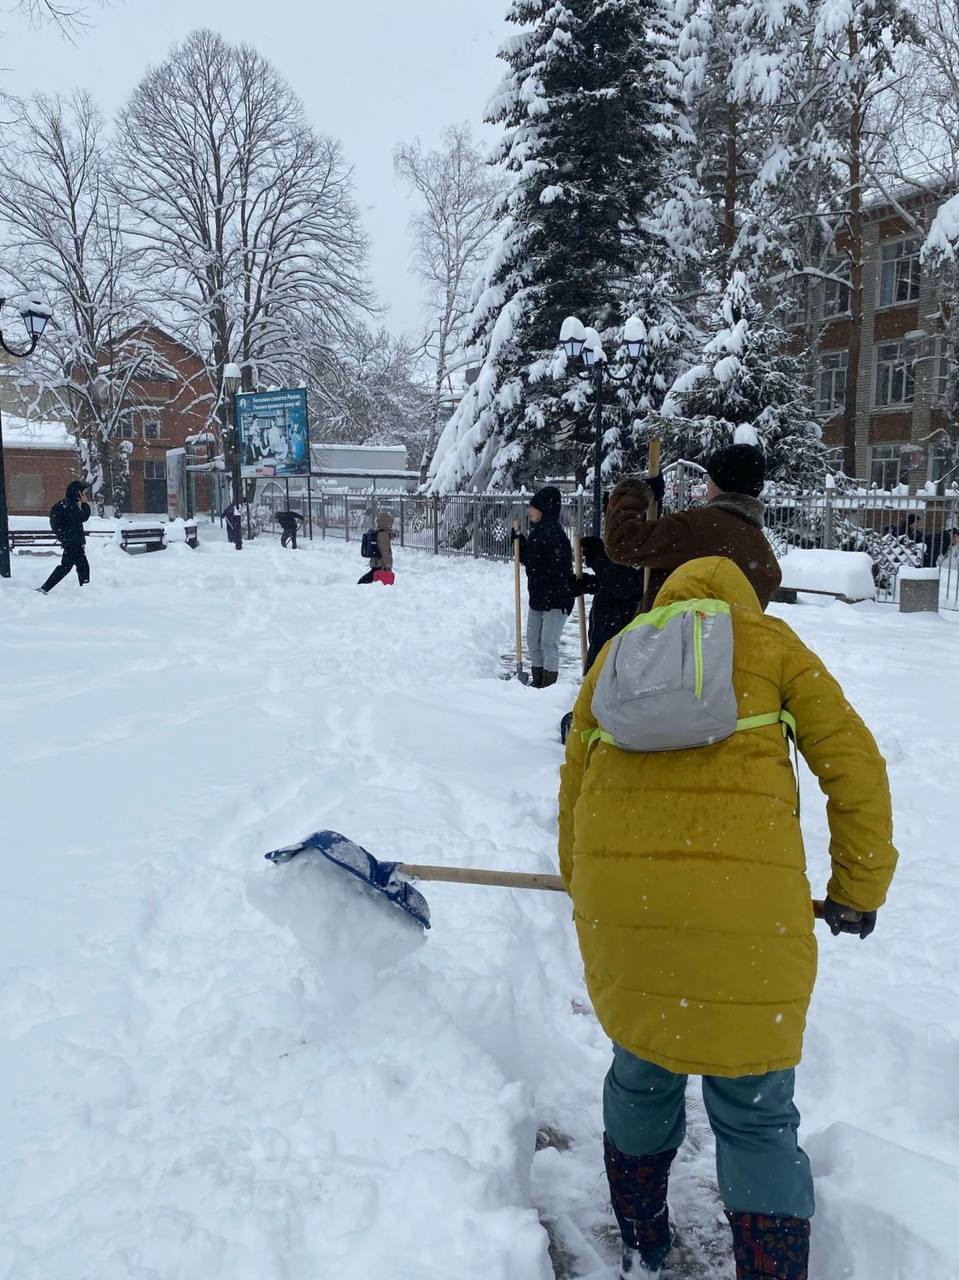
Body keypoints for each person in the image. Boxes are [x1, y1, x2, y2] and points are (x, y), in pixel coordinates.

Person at [558, 554, 898, 1280]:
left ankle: (643, 1242)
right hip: (750, 924)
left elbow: (574, 782)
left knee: (640, 1073)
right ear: (746, 598)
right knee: (754, 1109)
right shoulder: (770, 645)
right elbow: (854, 768)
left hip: (624, 912)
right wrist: (856, 888)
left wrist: (583, 890)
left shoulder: (617, 654)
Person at [604, 444, 782, 612]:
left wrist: (638, 492)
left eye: (709, 479)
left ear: (717, 483)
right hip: (728, 644)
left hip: (668, 641)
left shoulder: (698, 528)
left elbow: (621, 541)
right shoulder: (764, 554)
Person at [511, 486, 574, 688]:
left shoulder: (557, 536)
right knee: (532, 641)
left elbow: (556, 570)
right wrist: (520, 542)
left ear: (545, 509)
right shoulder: (538, 532)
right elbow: (531, 559)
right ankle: (537, 681)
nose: (530, 511)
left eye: (533, 507)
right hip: (538, 598)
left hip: (556, 601)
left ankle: (548, 688)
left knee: (548, 644)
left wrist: (548, 583)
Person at [38, 481, 92, 594]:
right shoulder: (70, 505)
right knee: (73, 567)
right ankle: (86, 591)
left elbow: (55, 524)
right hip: (73, 542)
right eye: (83, 493)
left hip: (71, 541)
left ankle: (45, 588)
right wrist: (85, 504)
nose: (84, 495)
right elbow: (82, 517)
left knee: (75, 567)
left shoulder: (64, 504)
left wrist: (63, 537)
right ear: (78, 493)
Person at [358, 510, 395, 585]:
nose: (391, 525)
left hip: (377, 562)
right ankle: (361, 584)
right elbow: (385, 551)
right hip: (381, 563)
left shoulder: (380, 533)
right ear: (386, 523)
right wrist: (387, 565)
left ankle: (362, 584)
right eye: (390, 523)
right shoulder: (384, 535)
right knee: (374, 576)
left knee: (373, 575)